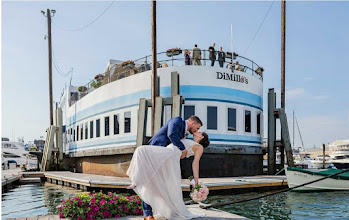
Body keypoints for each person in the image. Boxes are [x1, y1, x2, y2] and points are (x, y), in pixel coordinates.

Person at [127, 116, 204, 220]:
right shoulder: (177, 121)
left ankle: (164, 211)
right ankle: (148, 214)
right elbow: (171, 134)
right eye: (197, 128)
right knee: (148, 181)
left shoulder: (184, 135)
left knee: (159, 184)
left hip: (166, 157)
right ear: (192, 123)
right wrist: (183, 149)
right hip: (156, 150)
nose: (197, 130)